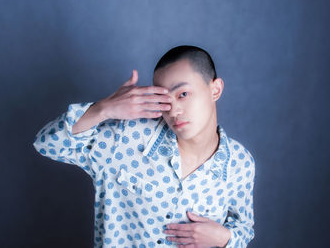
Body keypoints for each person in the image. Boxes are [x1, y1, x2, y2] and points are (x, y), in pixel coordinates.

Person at [33, 45, 255, 248]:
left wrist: (224, 238)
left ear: (215, 90)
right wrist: (104, 109)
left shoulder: (240, 164)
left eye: (183, 94)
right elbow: (47, 144)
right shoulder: (126, 137)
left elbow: (243, 229)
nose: (174, 110)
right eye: (165, 100)